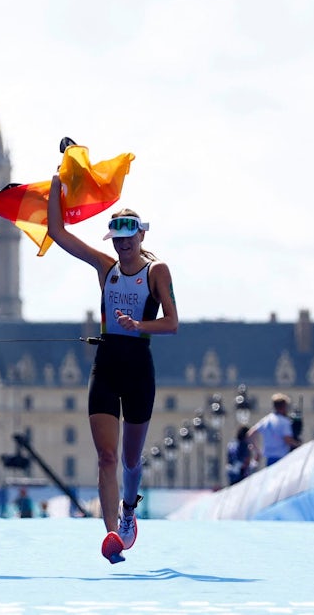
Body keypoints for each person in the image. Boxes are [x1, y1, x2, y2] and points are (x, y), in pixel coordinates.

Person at [47, 184, 178, 564]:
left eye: (129, 237)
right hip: (105, 365)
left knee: (130, 461)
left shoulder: (156, 271)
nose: (123, 245)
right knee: (106, 457)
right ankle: (110, 535)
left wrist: (138, 325)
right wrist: (58, 184)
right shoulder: (106, 268)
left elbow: (171, 323)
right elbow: (58, 233)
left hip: (138, 366)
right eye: (117, 238)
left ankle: (128, 512)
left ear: (141, 236)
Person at [247, 393, 301, 467]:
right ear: (284, 407)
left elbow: (250, 434)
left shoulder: (266, 420)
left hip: (269, 459)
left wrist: (257, 451)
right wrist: (298, 444)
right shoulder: (284, 422)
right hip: (281, 458)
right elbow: (287, 440)